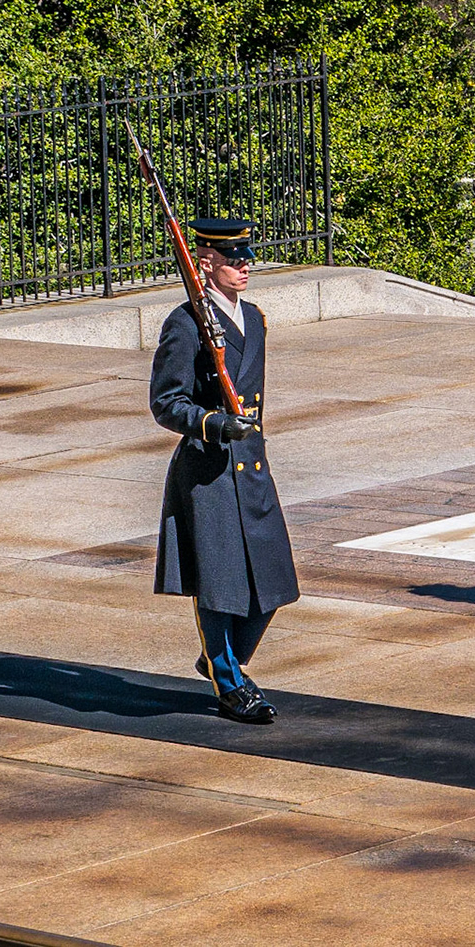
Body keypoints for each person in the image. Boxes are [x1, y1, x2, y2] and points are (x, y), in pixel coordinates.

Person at [148, 218, 299, 723]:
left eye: (246, 258)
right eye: (234, 260)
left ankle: (222, 658)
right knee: (220, 587)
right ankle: (230, 683)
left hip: (251, 466)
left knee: (273, 583)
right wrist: (213, 423)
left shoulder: (253, 318)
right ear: (206, 264)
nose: (245, 267)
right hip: (209, 471)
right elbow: (166, 402)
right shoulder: (186, 323)